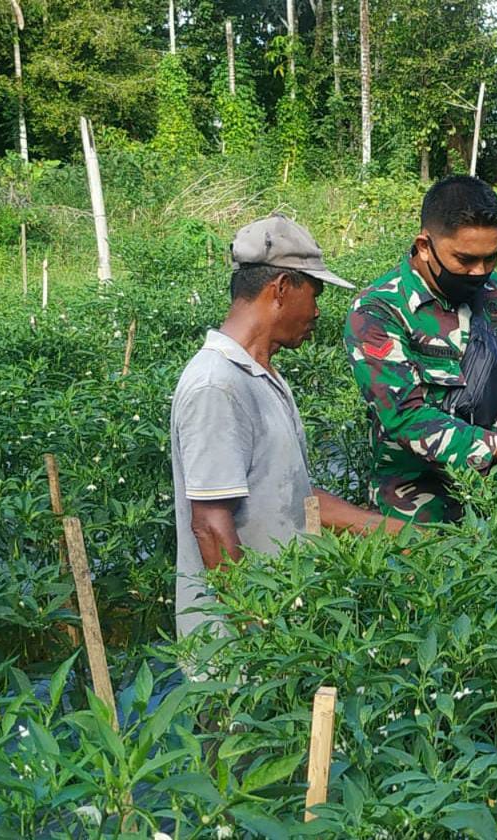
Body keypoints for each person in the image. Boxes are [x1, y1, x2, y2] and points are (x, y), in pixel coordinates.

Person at [171, 213, 403, 639]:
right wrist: (261, 638)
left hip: (283, 626)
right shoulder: (216, 385)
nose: (317, 311)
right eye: (314, 294)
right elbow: (210, 525)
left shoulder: (263, 376)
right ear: (281, 289)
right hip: (236, 652)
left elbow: (297, 498)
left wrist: (402, 533)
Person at [344, 175, 497, 523]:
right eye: (465, 259)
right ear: (425, 246)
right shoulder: (379, 311)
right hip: (417, 501)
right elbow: (404, 418)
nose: (480, 272)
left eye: (491, 258)